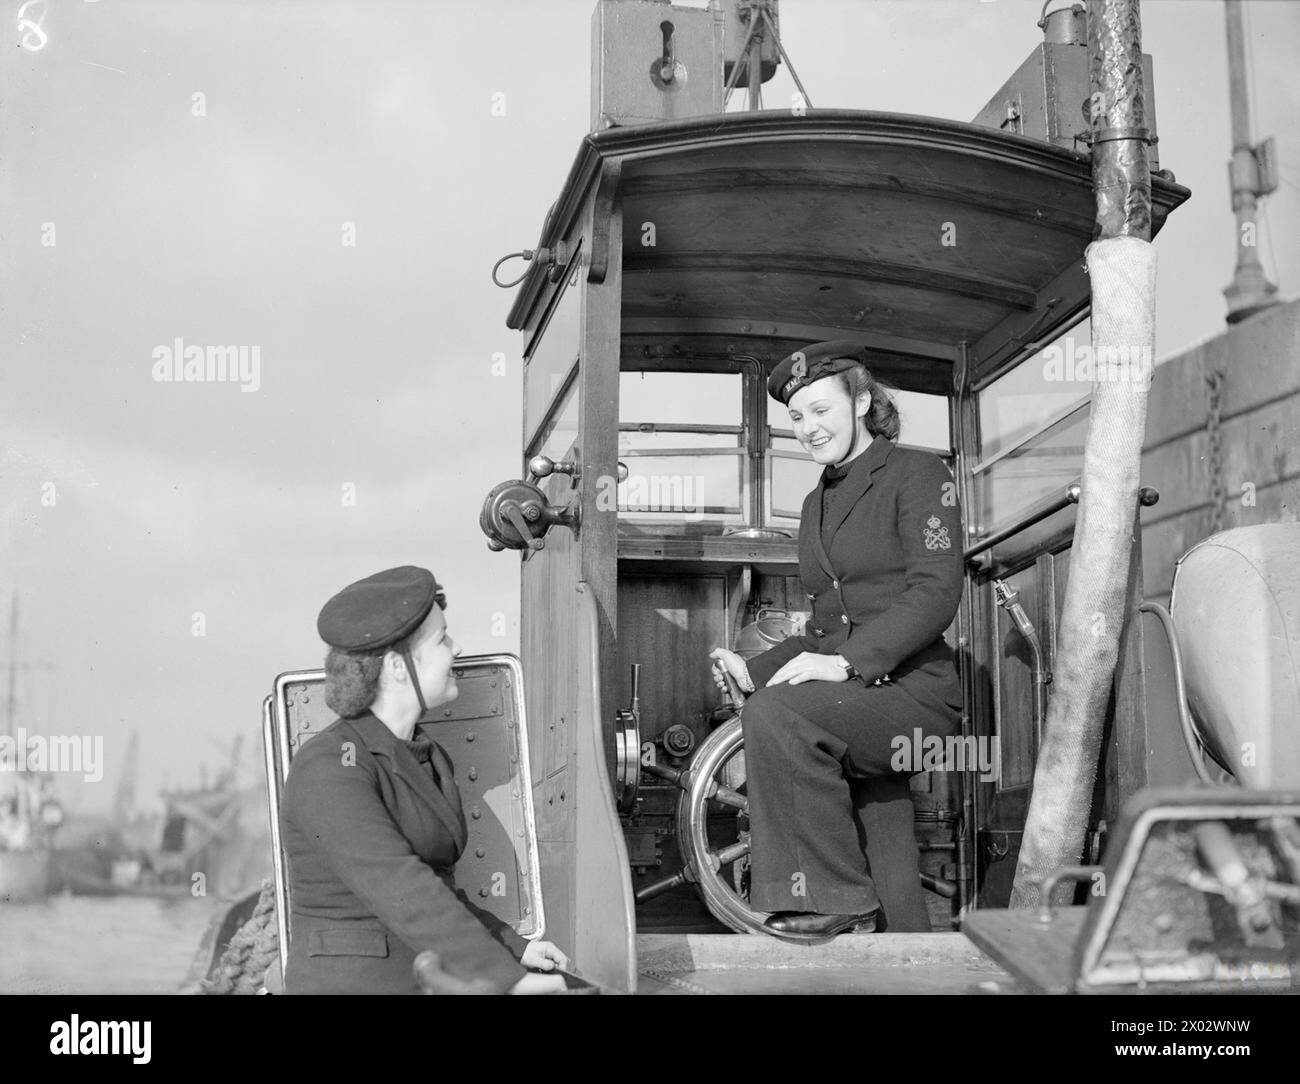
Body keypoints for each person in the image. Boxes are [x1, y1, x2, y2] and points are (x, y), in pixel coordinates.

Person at [708, 342, 964, 937]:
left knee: (778, 716)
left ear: (863, 402)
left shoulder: (921, 474)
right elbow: (827, 628)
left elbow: (935, 594)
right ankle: (909, 962)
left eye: (822, 411)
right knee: (885, 837)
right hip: (860, 698)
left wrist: (845, 666)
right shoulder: (813, 503)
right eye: (797, 417)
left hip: (916, 698)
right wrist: (756, 669)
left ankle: (832, 901)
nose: (808, 429)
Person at [281, 565, 568, 994]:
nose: (456, 649)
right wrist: (507, 981)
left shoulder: (427, 755)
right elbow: (404, 888)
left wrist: (515, 947)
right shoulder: (328, 767)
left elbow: (436, 885)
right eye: (442, 639)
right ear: (398, 667)